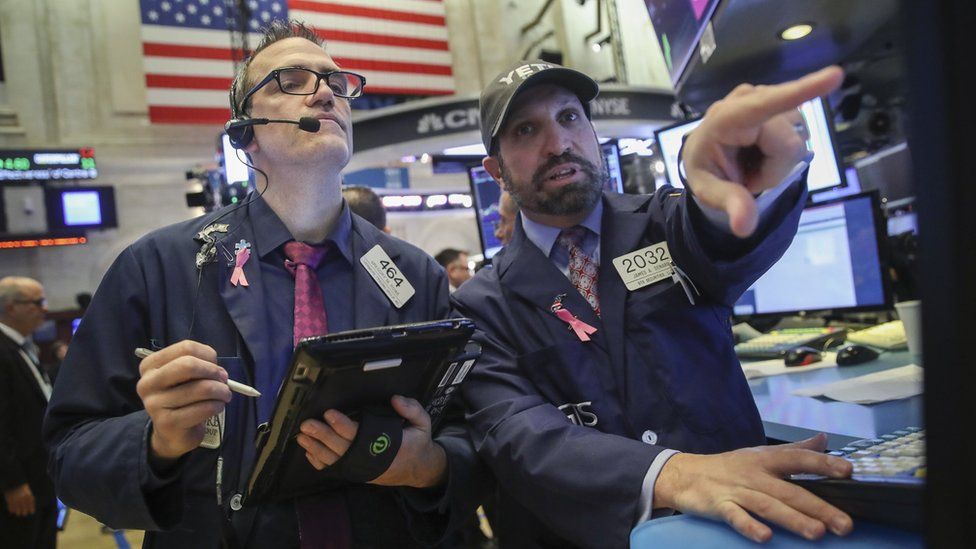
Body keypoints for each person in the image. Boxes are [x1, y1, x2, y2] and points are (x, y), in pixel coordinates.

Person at [43, 21, 486, 548]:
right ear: (244, 133)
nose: (325, 91)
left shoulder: (415, 275)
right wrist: (156, 441)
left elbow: (469, 434)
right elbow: (70, 451)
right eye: (290, 81)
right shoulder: (157, 266)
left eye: (335, 82)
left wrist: (429, 467)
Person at [450, 59, 854, 548]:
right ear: (495, 170)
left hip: (737, 532)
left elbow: (719, 240)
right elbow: (518, 434)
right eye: (526, 130)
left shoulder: (665, 222)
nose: (557, 144)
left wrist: (743, 184)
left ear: (592, 130)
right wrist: (673, 476)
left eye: (570, 117)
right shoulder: (479, 306)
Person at [0, 277, 56, 549]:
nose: (44, 309)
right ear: (12, 308)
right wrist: (13, 483)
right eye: (37, 302)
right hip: (20, 482)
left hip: (39, 474)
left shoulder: (22, 346)